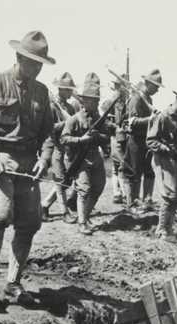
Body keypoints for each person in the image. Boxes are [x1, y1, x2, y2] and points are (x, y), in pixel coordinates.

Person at [0, 31, 56, 304]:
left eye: (41, 63)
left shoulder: (42, 92)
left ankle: (13, 284)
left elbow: (48, 134)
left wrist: (44, 159)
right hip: (0, 161)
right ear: (18, 58)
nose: (37, 68)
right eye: (33, 62)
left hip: (29, 165)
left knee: (30, 222)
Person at [60, 72, 113, 235]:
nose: (95, 103)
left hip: (94, 156)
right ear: (84, 101)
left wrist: (99, 137)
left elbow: (106, 138)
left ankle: (86, 216)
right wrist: (81, 140)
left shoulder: (99, 118)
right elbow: (64, 139)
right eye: (92, 100)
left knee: (98, 186)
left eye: (97, 100)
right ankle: (82, 222)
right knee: (84, 188)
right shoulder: (74, 119)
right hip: (78, 157)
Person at [146, 86, 177, 241]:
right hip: (161, 159)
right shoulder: (163, 117)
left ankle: (169, 229)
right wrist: (165, 148)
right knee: (169, 195)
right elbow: (150, 141)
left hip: (173, 159)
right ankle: (161, 230)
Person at [41, 72, 79, 222]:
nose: (70, 92)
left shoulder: (69, 107)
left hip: (67, 147)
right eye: (67, 89)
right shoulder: (52, 107)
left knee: (66, 181)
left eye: (70, 89)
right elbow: (49, 128)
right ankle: (65, 213)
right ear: (60, 90)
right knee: (60, 179)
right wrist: (67, 123)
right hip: (56, 146)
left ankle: (44, 206)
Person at [123, 69, 162, 212]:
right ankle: (131, 204)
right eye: (156, 86)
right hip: (135, 140)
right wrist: (150, 119)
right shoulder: (136, 98)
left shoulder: (148, 99)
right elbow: (131, 121)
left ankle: (146, 200)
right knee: (133, 173)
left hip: (146, 140)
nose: (157, 90)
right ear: (148, 83)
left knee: (148, 171)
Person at [103, 74, 130, 205]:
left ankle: (118, 193)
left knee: (119, 166)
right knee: (120, 166)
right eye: (119, 87)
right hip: (115, 137)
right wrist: (116, 127)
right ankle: (120, 193)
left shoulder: (126, 102)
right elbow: (104, 121)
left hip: (125, 137)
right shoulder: (110, 102)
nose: (121, 89)